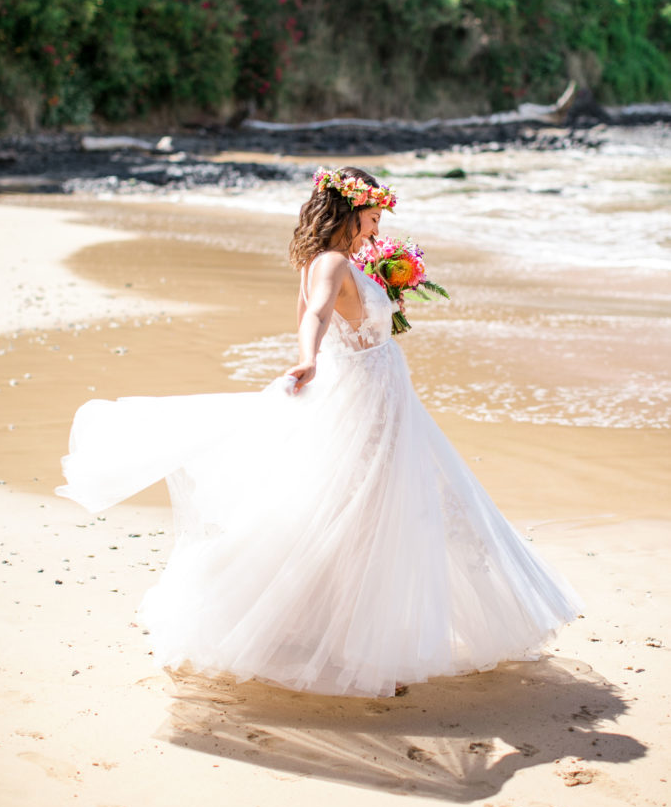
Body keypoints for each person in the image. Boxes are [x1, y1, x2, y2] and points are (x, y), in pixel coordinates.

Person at [57, 166, 581, 698]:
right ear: (352, 211)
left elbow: (331, 314)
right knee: (366, 518)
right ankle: (358, 652)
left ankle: (344, 639)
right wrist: (308, 358)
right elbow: (315, 315)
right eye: (373, 217)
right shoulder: (329, 262)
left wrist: (382, 301)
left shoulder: (335, 261)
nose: (377, 229)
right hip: (366, 404)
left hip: (383, 399)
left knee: (366, 514)